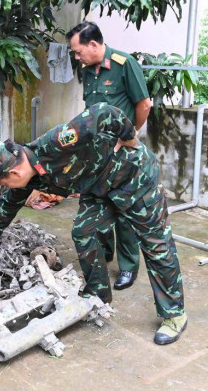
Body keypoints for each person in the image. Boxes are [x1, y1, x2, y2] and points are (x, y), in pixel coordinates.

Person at [0, 103, 187, 345]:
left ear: (14, 174)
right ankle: (98, 294)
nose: (6, 189)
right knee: (84, 232)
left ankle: (174, 314)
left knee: (155, 244)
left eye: (4, 183)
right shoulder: (27, 177)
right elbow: (9, 203)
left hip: (134, 178)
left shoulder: (56, 142)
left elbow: (103, 111)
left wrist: (129, 137)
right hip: (98, 188)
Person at [66, 21, 153, 290]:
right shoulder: (88, 71)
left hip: (122, 153)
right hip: (96, 153)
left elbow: (144, 104)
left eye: (78, 51)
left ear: (93, 44)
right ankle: (103, 255)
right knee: (98, 204)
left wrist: (129, 136)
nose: (77, 57)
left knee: (125, 211)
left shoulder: (123, 64)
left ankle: (128, 267)